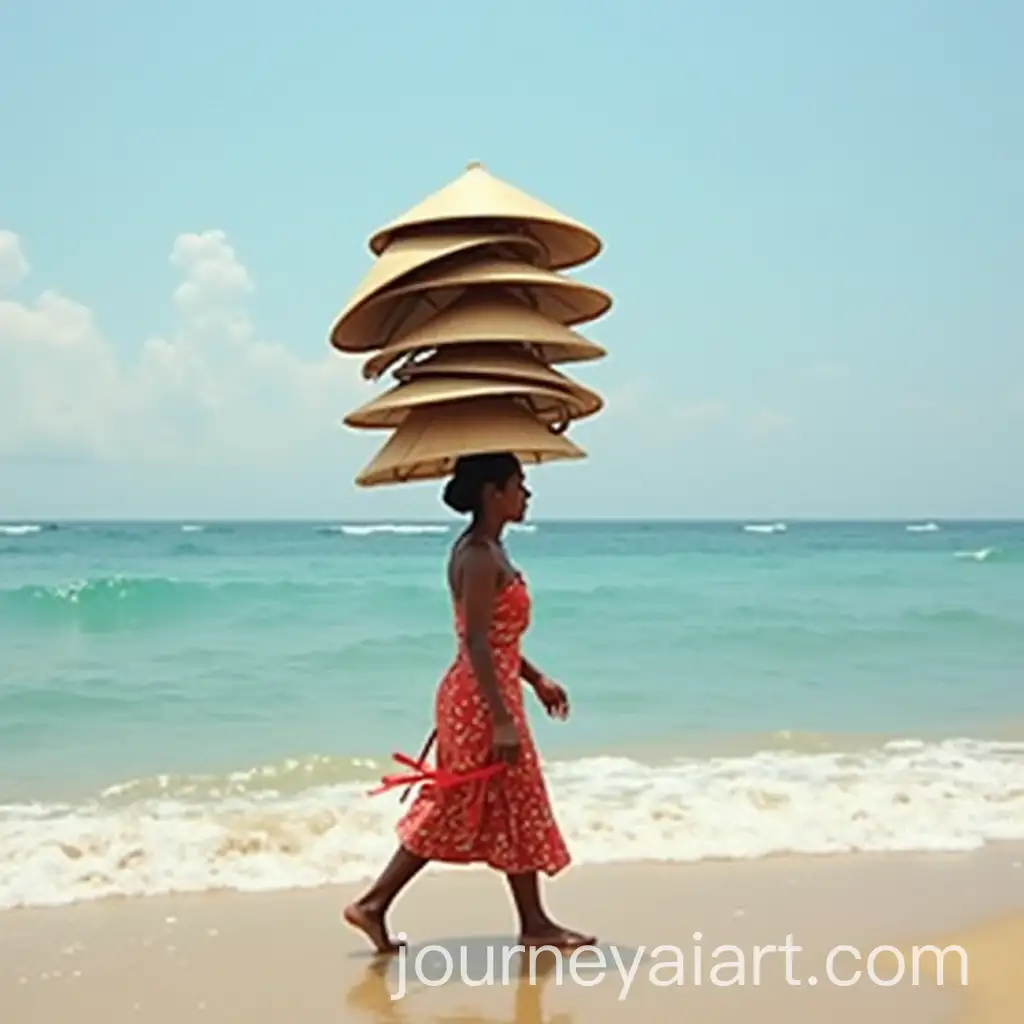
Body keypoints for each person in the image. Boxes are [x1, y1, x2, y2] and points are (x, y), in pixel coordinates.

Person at [343, 451, 595, 954]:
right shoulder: (479, 555)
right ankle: (373, 903)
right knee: (462, 799)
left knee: (511, 799)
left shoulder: (490, 550)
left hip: (489, 692)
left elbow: (496, 641)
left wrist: (536, 679)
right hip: (481, 701)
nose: (527, 494)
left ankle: (534, 923)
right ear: (491, 493)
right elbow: (476, 641)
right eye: (518, 484)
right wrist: (501, 719)